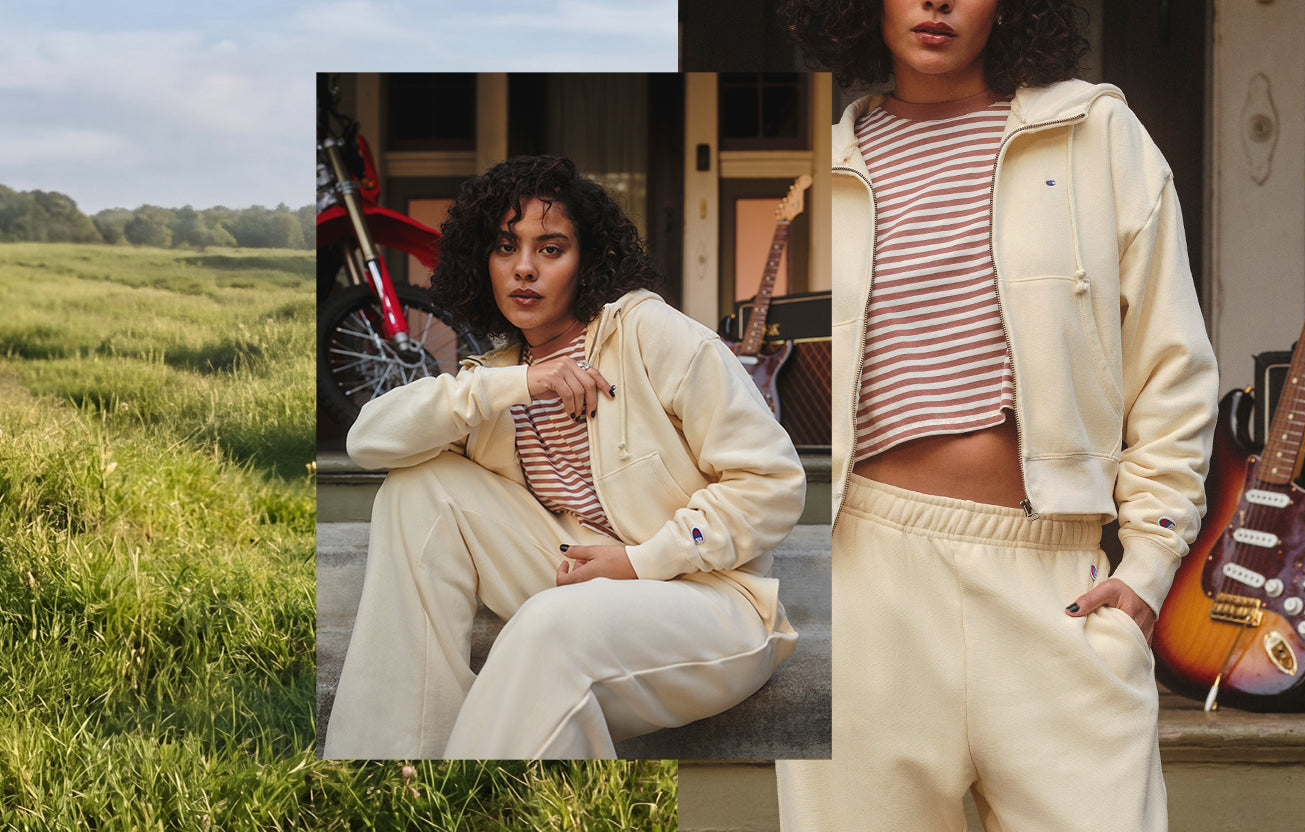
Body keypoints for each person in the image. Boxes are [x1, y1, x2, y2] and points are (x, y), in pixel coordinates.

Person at [775, 0, 1219, 828]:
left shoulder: (1096, 135)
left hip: (1052, 580)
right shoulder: (824, 167)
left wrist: (1150, 566)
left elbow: (1171, 362)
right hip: (865, 583)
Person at [323, 155, 804, 759]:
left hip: (709, 601)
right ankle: (395, 769)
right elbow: (367, 441)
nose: (524, 268)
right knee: (416, 488)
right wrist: (521, 384)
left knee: (548, 629)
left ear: (588, 262)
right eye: (505, 247)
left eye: (551, 249)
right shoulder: (498, 380)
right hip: (572, 578)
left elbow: (774, 482)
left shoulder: (650, 334)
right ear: (483, 261)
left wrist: (640, 560)